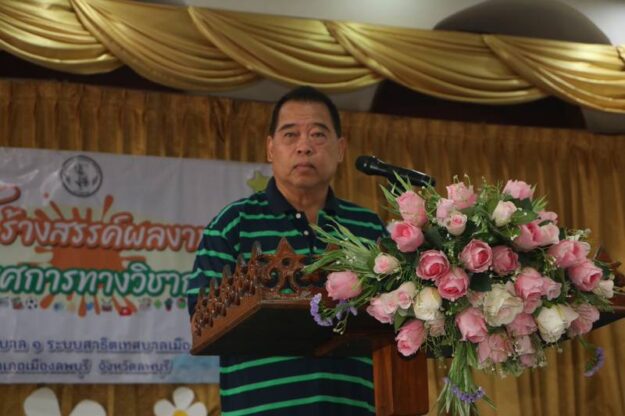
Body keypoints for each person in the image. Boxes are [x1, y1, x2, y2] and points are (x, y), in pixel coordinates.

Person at [187, 86, 386, 415]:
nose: (304, 146)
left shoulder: (367, 226)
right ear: (270, 148)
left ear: (340, 149)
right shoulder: (232, 225)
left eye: (318, 134)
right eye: (290, 134)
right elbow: (201, 317)